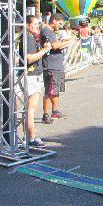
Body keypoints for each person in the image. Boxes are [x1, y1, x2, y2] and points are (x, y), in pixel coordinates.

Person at [22, 15, 51, 148]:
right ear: (27, 25)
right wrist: (45, 50)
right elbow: (29, 58)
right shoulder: (27, 38)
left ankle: (26, 136)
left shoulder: (28, 38)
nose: (37, 27)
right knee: (30, 109)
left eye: (38, 25)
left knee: (29, 109)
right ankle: (30, 138)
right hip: (32, 75)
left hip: (32, 75)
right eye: (35, 24)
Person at [41, 13, 74, 124]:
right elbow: (54, 46)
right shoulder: (46, 31)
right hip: (50, 66)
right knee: (50, 91)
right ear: (54, 21)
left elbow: (56, 44)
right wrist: (68, 42)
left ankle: (55, 111)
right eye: (59, 23)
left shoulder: (52, 32)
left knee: (56, 90)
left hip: (57, 66)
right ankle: (45, 114)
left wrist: (63, 42)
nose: (60, 26)